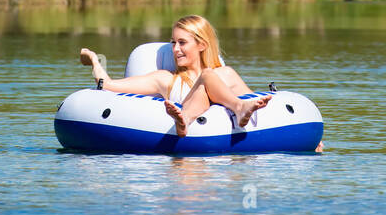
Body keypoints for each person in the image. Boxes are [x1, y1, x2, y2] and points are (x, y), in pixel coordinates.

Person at [79, 14, 271, 137]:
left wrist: (254, 106)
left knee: (211, 75)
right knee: (207, 76)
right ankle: (186, 119)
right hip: (183, 129)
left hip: (217, 165)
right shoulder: (165, 79)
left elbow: (256, 102)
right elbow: (109, 85)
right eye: (173, 43)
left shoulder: (225, 74)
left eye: (182, 42)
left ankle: (231, 110)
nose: (175, 49)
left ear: (202, 45)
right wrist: (95, 61)